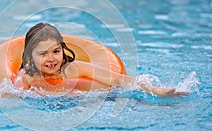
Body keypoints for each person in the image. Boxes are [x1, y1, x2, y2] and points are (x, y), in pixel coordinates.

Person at [14, 23, 189, 98]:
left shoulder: (72, 69)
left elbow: (118, 79)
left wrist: (154, 90)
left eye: (56, 51)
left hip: (83, 100)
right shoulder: (28, 76)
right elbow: (11, 96)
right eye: (43, 53)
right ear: (30, 56)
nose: (51, 59)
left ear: (63, 50)